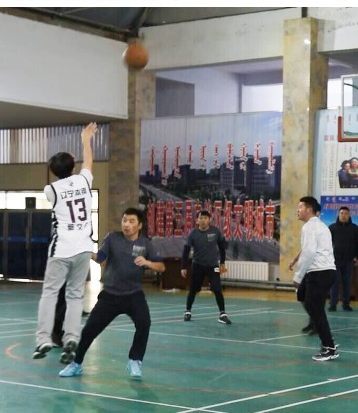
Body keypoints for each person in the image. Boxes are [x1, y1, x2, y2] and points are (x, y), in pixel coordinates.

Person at [58, 206, 164, 380]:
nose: (126, 224)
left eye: (131, 221)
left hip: (134, 295)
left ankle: (135, 360)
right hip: (110, 295)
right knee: (89, 330)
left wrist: (148, 263)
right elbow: (101, 258)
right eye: (124, 220)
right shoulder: (112, 238)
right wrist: (86, 252)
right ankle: (76, 364)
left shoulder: (146, 244)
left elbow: (161, 267)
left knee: (144, 323)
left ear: (139, 225)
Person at [34, 123, 97, 364]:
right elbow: (88, 162)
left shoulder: (50, 189)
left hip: (61, 249)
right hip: (83, 249)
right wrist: (85, 140)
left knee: (50, 293)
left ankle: (43, 339)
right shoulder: (84, 181)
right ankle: (71, 337)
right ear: (73, 166)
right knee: (74, 296)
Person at [291, 196, 339, 362]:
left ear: (309, 210)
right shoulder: (319, 226)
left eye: (300, 207)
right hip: (323, 272)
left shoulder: (310, 227)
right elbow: (309, 250)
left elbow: (309, 252)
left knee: (316, 309)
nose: (298, 210)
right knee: (302, 295)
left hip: (320, 272)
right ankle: (322, 331)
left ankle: (329, 347)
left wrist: (298, 276)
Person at [181, 209, 231, 324]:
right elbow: (186, 250)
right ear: (197, 220)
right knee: (193, 289)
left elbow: (222, 247)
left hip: (213, 266)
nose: (203, 220)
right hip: (197, 265)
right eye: (201, 218)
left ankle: (222, 314)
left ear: (209, 220)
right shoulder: (193, 233)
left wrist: (222, 262)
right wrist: (183, 266)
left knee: (217, 289)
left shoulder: (215, 232)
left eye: (205, 218)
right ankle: (188, 311)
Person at [328, 205, 358, 313]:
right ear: (338, 215)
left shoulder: (354, 228)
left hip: (349, 260)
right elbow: (326, 244)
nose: (343, 215)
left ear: (349, 215)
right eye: (341, 213)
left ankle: (346, 304)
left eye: (346, 214)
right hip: (334, 260)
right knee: (334, 282)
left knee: (347, 283)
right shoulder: (332, 228)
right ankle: (333, 304)